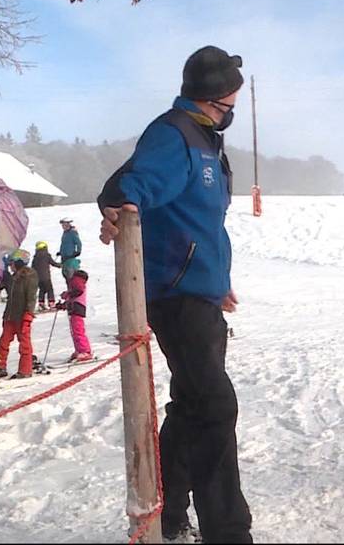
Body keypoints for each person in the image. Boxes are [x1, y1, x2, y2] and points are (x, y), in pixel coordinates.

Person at [96, 45, 252, 543]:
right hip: (174, 295)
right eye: (230, 102)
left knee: (192, 406)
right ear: (210, 98)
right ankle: (228, 532)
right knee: (214, 408)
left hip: (200, 295)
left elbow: (202, 221)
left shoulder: (205, 138)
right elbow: (131, 184)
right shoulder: (175, 135)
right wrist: (119, 210)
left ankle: (168, 509)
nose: (233, 111)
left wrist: (216, 280)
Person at [0, 249, 37, 379]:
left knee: (24, 344)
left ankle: (25, 370)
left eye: (12, 263)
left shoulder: (29, 277)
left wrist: (28, 315)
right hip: (10, 316)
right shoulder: (13, 278)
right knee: (3, 342)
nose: (10, 266)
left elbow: (31, 298)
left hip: (22, 317)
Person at [57, 269, 92, 362]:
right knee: (75, 331)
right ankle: (79, 349)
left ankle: (85, 350)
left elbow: (77, 292)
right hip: (74, 309)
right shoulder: (76, 284)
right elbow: (72, 298)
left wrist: (67, 294)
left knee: (78, 331)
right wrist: (63, 305)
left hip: (77, 309)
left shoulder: (77, 282)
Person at [32, 241, 61, 310]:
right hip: (46, 277)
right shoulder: (47, 255)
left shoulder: (35, 257)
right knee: (49, 289)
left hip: (38, 278)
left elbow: (33, 267)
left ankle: (41, 303)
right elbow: (53, 263)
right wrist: (60, 265)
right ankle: (51, 303)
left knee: (42, 289)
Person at [57, 218, 82, 285]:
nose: (63, 227)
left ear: (68, 224)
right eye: (62, 225)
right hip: (64, 257)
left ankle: (73, 289)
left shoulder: (72, 233)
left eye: (64, 225)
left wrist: (78, 251)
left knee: (71, 275)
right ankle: (69, 290)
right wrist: (60, 252)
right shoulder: (65, 233)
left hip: (70, 257)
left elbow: (78, 242)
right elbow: (64, 244)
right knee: (65, 274)